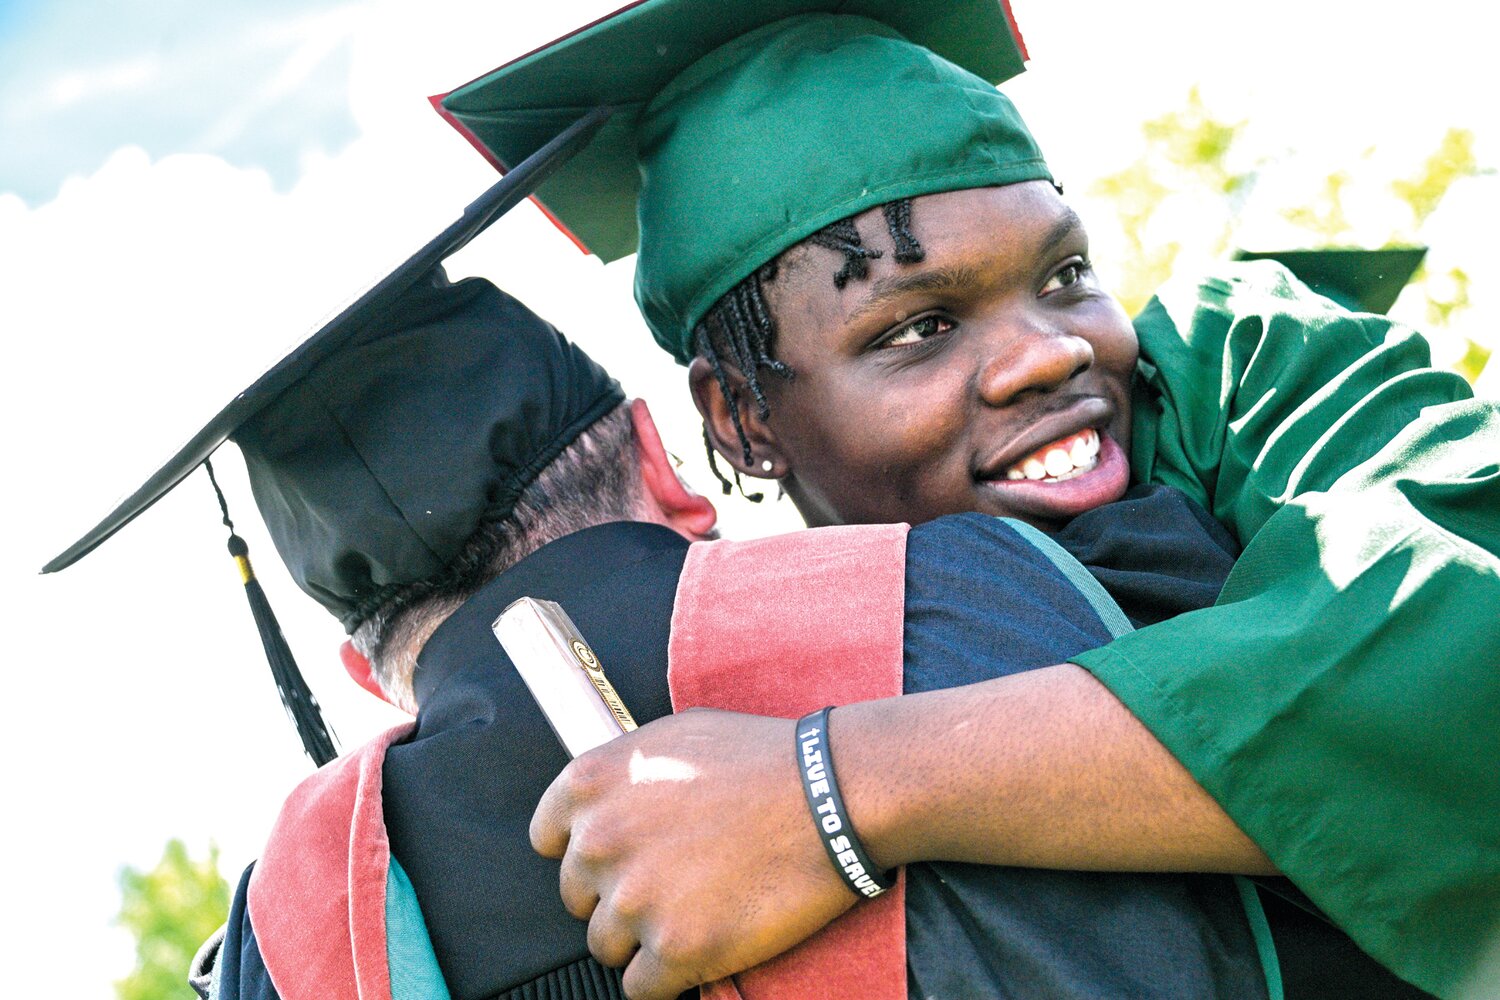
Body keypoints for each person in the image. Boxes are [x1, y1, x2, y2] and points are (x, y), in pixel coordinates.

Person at [432, 2, 1500, 997]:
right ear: (743, 420)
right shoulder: (751, 670)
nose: (1049, 352)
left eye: (1066, 272)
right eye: (919, 328)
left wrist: (832, 791)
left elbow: (1470, 631)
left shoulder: (1244, 370)